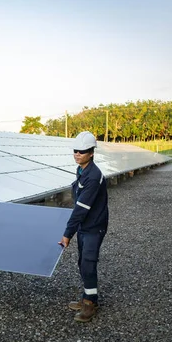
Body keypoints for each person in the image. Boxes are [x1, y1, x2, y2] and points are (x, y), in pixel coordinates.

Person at [59, 131, 109, 323]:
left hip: (93, 226)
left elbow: (81, 208)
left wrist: (67, 234)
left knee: (88, 263)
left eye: (82, 151)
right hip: (84, 225)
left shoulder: (93, 176)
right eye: (75, 151)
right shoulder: (82, 170)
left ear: (91, 153)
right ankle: (89, 297)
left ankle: (90, 304)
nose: (77, 154)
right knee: (82, 262)